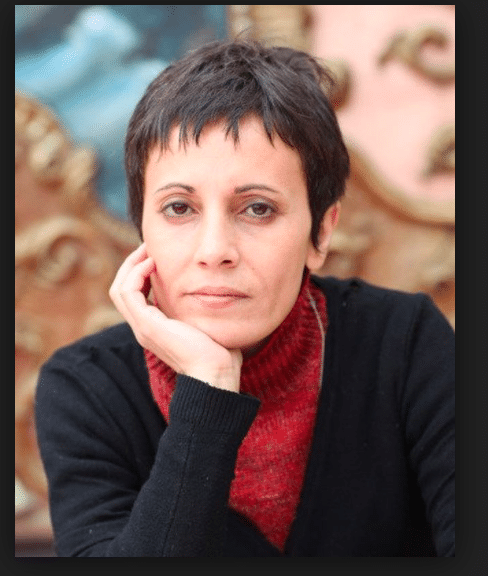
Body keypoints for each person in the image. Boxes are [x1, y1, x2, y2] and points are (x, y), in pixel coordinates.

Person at [35, 39, 454, 557]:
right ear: (141, 229)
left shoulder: (407, 345)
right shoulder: (85, 389)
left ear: (322, 232)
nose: (215, 251)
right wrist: (207, 389)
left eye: (258, 209)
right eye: (179, 208)